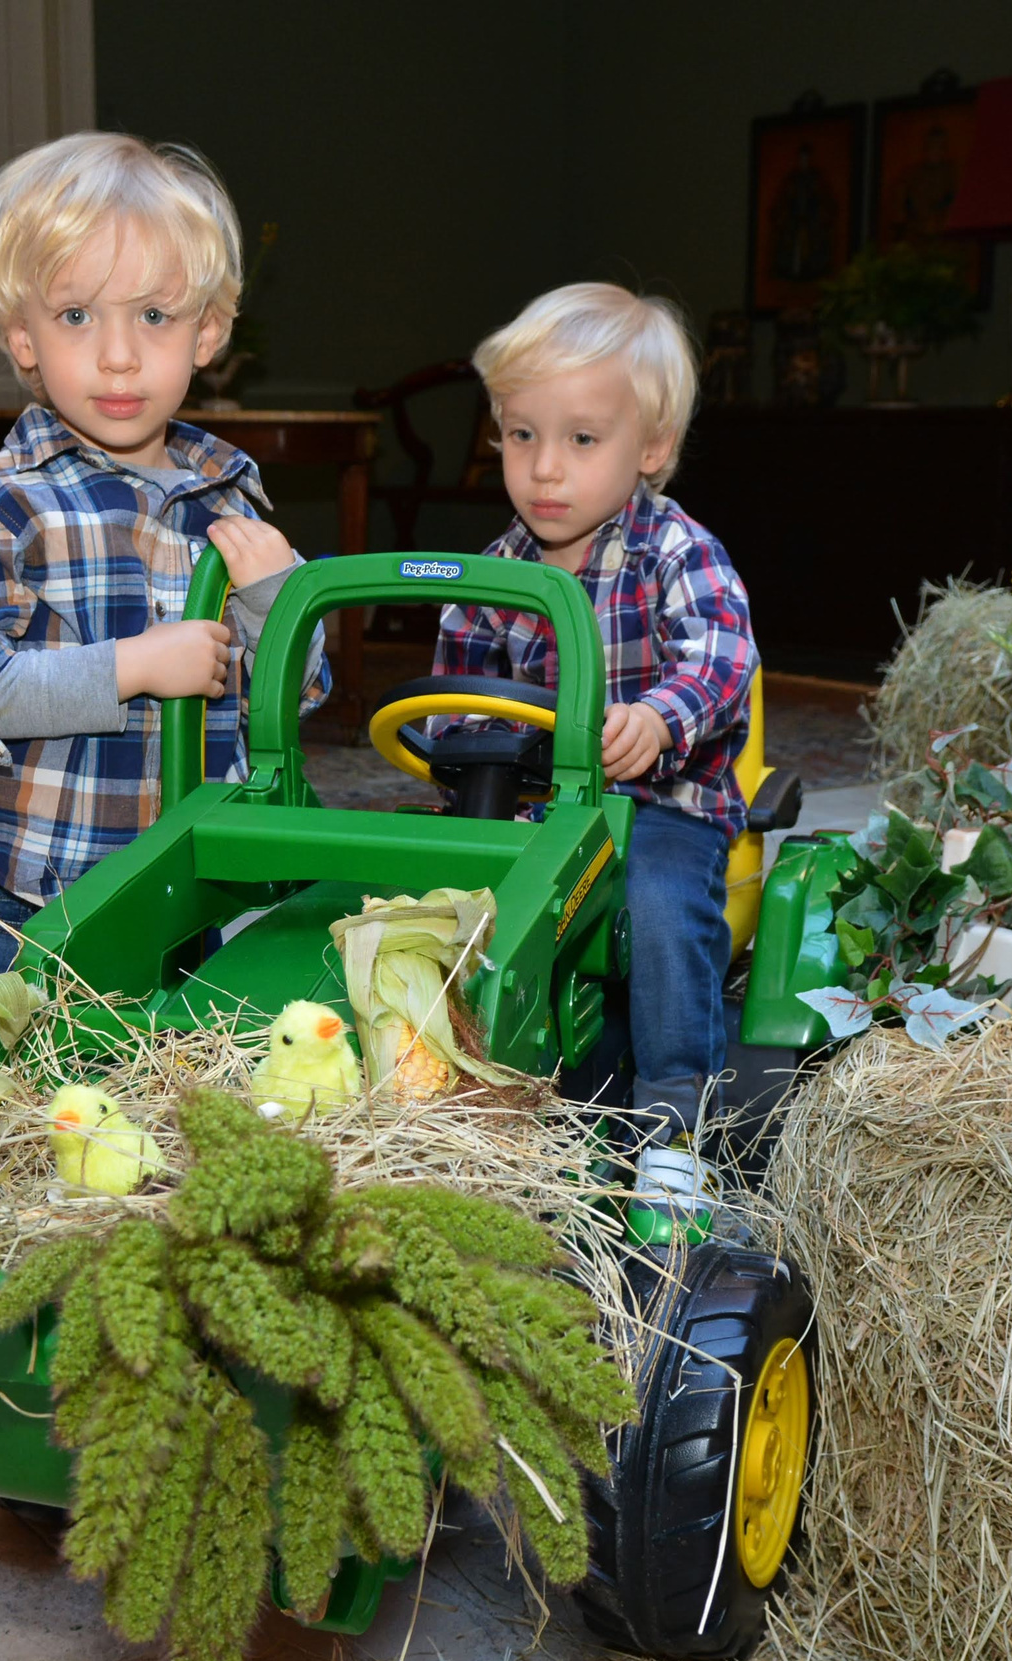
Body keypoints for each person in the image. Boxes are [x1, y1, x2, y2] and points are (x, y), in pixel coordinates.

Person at [0, 133, 324, 980]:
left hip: (184, 887)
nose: (120, 354)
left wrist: (275, 598)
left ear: (207, 333)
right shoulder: (2, 500)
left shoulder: (230, 502)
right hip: (31, 900)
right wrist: (131, 666)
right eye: (76, 316)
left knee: (171, 1065)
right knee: (6, 1065)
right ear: (23, 338)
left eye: (154, 317)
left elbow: (300, 695)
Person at [435, 283, 758, 1152]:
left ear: (652, 446)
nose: (545, 467)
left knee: (656, 903)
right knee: (439, 897)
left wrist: (657, 718)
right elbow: (457, 700)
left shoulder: (676, 552)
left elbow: (724, 660)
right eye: (522, 435)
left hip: (659, 809)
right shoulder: (492, 573)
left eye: (581, 439)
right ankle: (467, 1091)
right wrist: (466, 758)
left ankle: (674, 1117)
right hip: (536, 814)